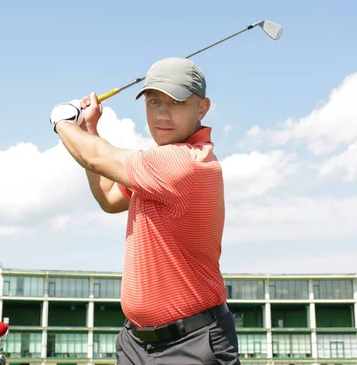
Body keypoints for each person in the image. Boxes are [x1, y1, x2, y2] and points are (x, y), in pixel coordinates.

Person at [49, 57, 240, 364]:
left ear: (202, 108)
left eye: (176, 102)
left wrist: (60, 122)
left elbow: (96, 159)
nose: (162, 114)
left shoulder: (186, 163)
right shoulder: (156, 164)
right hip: (136, 343)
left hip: (192, 345)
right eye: (153, 102)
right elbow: (109, 198)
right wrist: (89, 130)